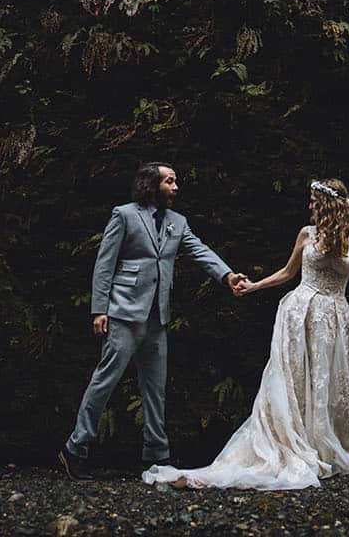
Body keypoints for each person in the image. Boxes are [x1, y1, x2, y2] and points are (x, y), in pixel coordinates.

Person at [141, 177, 349, 490]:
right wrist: (254, 286)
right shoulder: (307, 234)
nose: (310, 207)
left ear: (330, 205)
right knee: (294, 380)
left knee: (330, 383)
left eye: (315, 202)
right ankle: (295, 445)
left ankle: (327, 448)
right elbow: (288, 273)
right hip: (299, 312)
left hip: (335, 317)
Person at [59, 162, 246, 481]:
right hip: (123, 311)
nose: (176, 187)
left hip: (157, 316)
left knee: (156, 388)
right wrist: (99, 309)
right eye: (170, 181)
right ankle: (76, 448)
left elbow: (200, 251)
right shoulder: (125, 215)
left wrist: (227, 275)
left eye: (176, 181)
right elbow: (105, 263)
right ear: (152, 184)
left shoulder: (178, 221)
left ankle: (156, 456)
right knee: (105, 380)